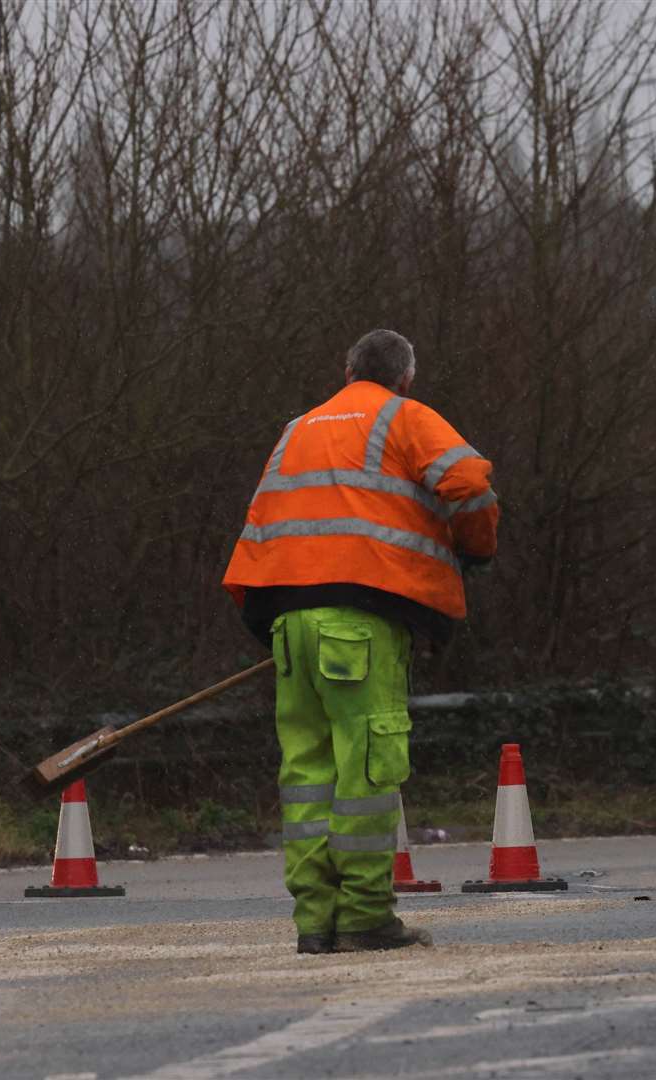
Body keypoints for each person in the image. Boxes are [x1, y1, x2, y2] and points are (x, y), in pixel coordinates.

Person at [223, 329, 499, 953]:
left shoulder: (298, 428)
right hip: (361, 623)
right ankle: (367, 918)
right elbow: (470, 485)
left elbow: (264, 522)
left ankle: (315, 923)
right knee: (368, 769)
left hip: (288, 623)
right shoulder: (405, 417)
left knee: (307, 776)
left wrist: (270, 618)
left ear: (346, 371)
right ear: (405, 378)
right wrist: (475, 550)